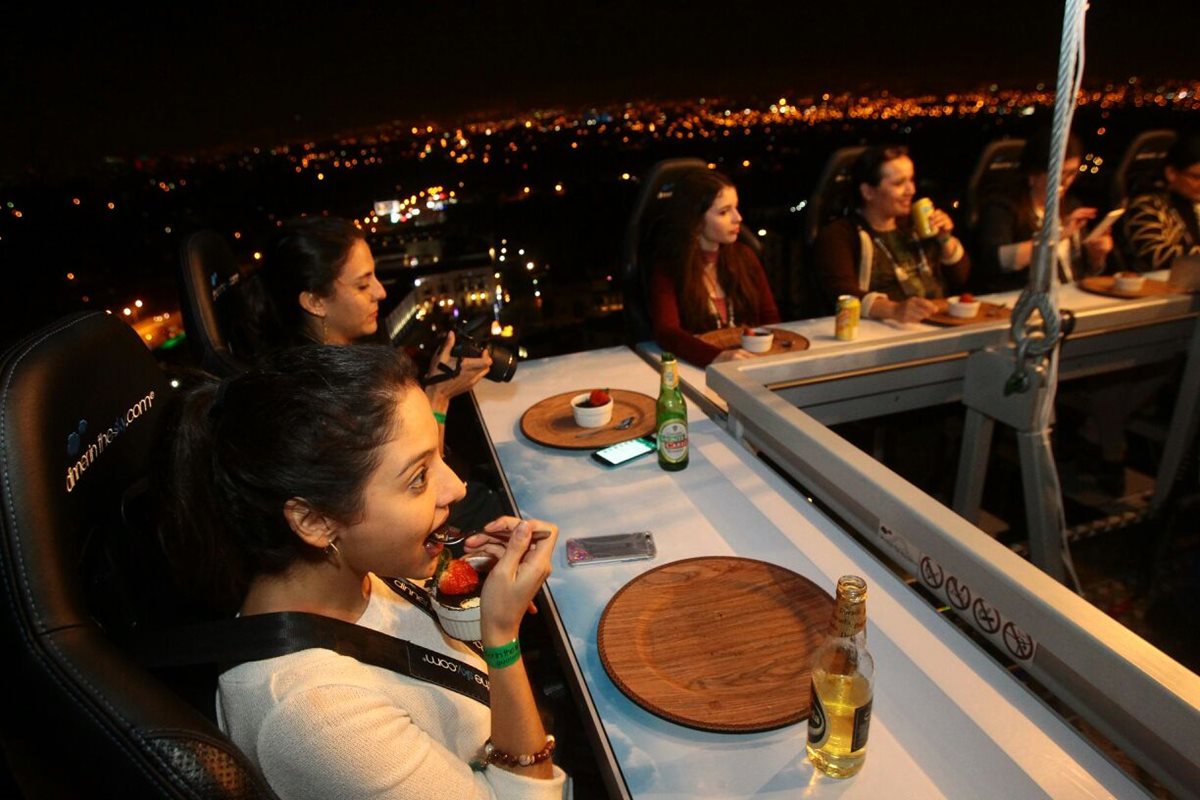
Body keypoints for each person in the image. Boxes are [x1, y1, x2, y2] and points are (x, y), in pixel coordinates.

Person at [162, 344, 567, 799]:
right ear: (315, 522)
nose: (456, 487)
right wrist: (502, 640)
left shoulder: (356, 570)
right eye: (418, 477)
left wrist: (481, 594)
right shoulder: (314, 717)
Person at [812, 145, 971, 323]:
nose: (911, 190)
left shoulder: (916, 225)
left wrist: (945, 239)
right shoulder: (840, 235)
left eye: (911, 180)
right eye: (899, 183)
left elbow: (960, 278)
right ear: (868, 192)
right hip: (884, 329)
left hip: (936, 320)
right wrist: (894, 310)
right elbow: (842, 294)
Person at [647, 168, 781, 367]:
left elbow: (769, 318)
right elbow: (667, 332)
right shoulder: (670, 268)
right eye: (724, 212)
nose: (738, 218)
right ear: (695, 220)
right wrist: (716, 357)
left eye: (736, 208)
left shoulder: (745, 257)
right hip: (695, 369)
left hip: (751, 362)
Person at [972, 129, 1113, 293]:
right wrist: (1059, 235)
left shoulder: (1071, 205)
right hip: (1025, 298)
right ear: (1034, 174)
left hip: (1072, 296)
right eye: (1060, 174)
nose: (1066, 181)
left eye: (1072, 173)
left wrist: (1096, 256)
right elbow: (997, 261)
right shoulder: (1003, 207)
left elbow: (1081, 273)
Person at [1122, 134, 1200, 272]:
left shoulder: (1194, 203)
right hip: (1157, 282)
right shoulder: (1147, 205)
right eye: (1196, 177)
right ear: (1171, 173)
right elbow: (1155, 255)